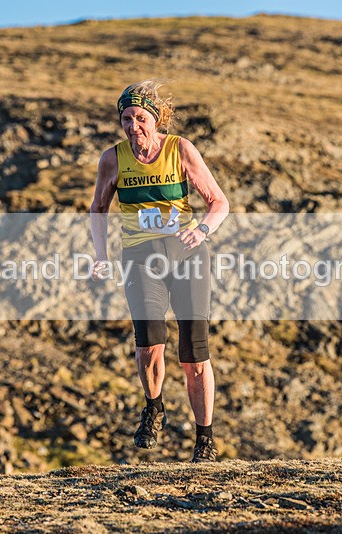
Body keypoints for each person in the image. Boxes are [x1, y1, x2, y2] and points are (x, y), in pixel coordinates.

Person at [90, 80, 230, 463]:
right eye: (126, 119)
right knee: (149, 344)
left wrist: (201, 229)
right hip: (139, 258)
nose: (134, 127)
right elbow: (98, 209)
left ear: (155, 118)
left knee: (194, 355)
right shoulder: (113, 159)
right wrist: (101, 255)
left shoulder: (180, 149)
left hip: (187, 258)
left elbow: (219, 202)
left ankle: (205, 439)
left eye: (140, 118)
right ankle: (153, 408)